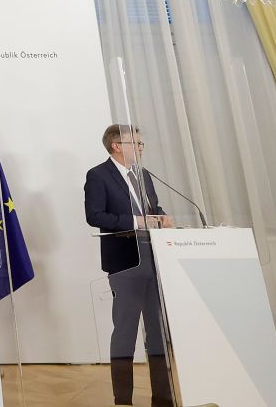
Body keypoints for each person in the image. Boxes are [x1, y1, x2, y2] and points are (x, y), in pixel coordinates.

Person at [84, 124, 175, 407]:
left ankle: (163, 396)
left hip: (153, 257)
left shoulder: (143, 175)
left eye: (141, 143)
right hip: (125, 261)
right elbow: (95, 215)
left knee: (158, 329)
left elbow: (152, 210)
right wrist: (137, 222)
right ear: (116, 146)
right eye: (136, 143)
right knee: (125, 329)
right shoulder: (98, 175)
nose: (140, 148)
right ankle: (123, 399)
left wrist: (162, 217)